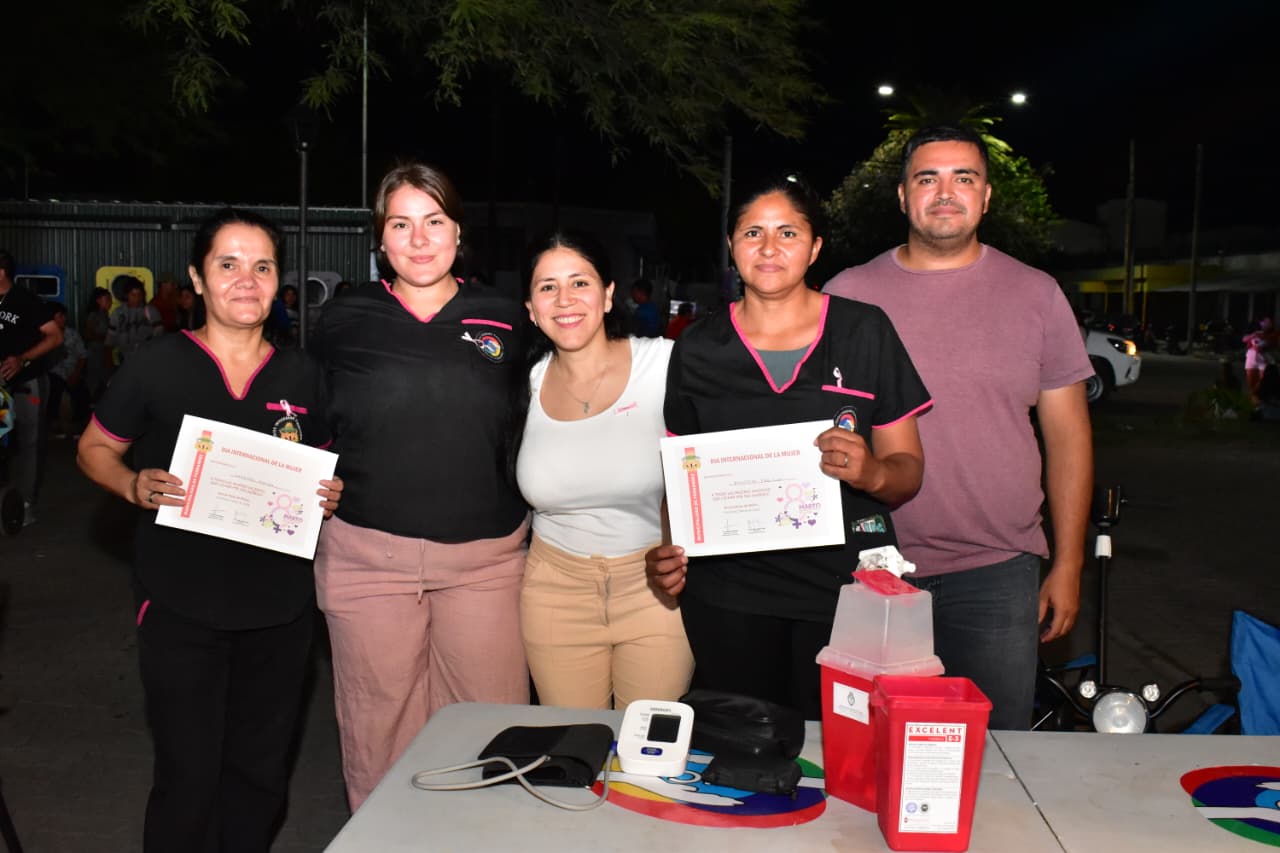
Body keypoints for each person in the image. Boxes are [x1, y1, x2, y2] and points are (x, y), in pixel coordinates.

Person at [76, 208, 343, 852]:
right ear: (198, 278)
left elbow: (326, 468)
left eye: (262, 267)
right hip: (179, 605)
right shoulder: (156, 365)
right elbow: (92, 449)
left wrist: (330, 494)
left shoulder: (302, 375)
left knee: (259, 778)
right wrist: (131, 484)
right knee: (187, 777)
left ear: (280, 281)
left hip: (279, 612)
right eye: (228, 265)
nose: (246, 281)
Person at [824, 126, 1094, 730]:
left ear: (986, 196)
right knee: (866, 749)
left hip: (997, 571)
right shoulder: (849, 295)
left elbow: (1069, 438)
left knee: (997, 760)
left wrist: (1069, 563)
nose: (945, 193)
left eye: (963, 178)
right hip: (872, 568)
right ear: (902, 196)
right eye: (928, 178)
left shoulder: (1036, 295)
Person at [646, 177, 930, 719]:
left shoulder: (864, 331)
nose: (769, 248)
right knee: (744, 755)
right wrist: (672, 550)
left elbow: (908, 470)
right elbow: (680, 475)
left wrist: (870, 472)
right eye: (752, 232)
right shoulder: (699, 346)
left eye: (788, 232)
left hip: (844, 592)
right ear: (731, 246)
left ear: (816, 246)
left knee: (837, 760)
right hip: (728, 597)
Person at [309, 162, 530, 810]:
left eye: (434, 221)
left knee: (490, 732)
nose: (419, 238)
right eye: (401, 223)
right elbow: (310, 422)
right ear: (381, 239)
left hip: (484, 563)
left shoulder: (506, 316)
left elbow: (539, 417)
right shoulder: (345, 318)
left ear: (458, 232)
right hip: (367, 560)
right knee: (378, 737)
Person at [516, 231, 694, 710]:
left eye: (580, 282)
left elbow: (715, 452)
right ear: (530, 308)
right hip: (554, 591)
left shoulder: (664, 365)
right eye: (547, 287)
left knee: (650, 764)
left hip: (656, 592)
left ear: (609, 294)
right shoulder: (519, 386)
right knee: (573, 755)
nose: (565, 300)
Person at [0, 248, 63, 525]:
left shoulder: (26, 300)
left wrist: (22, 358)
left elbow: (55, 336)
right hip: (1, 389)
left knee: (30, 443)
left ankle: (25, 503)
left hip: (28, 384)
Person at [44, 302, 90, 438]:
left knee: (82, 393)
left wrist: (76, 373)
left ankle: (78, 427)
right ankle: (54, 425)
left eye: (64, 316)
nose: (64, 319)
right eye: (60, 316)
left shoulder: (72, 334)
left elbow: (83, 356)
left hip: (72, 371)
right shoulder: (43, 335)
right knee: (54, 389)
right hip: (54, 372)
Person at [107, 276, 163, 361]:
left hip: (146, 358)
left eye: (139, 295)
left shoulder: (151, 311)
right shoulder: (118, 313)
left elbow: (159, 336)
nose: (136, 298)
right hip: (124, 357)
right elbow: (110, 337)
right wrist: (108, 359)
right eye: (133, 295)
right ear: (126, 295)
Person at [83, 286, 115, 399]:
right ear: (98, 301)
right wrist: (107, 338)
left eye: (110, 299)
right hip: (95, 352)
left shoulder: (105, 315)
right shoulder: (94, 315)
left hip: (104, 351)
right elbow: (89, 334)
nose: (110, 302)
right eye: (107, 299)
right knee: (95, 378)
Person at [1243, 317, 1276, 403]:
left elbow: (1272, 344)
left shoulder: (1273, 334)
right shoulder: (1255, 332)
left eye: (1268, 322)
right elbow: (1244, 339)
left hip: (1264, 360)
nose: (1265, 323)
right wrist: (1253, 335)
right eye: (1264, 322)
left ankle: (1259, 399)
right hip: (1251, 358)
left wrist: (1264, 345)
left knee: (1263, 382)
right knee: (1251, 381)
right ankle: (1254, 400)